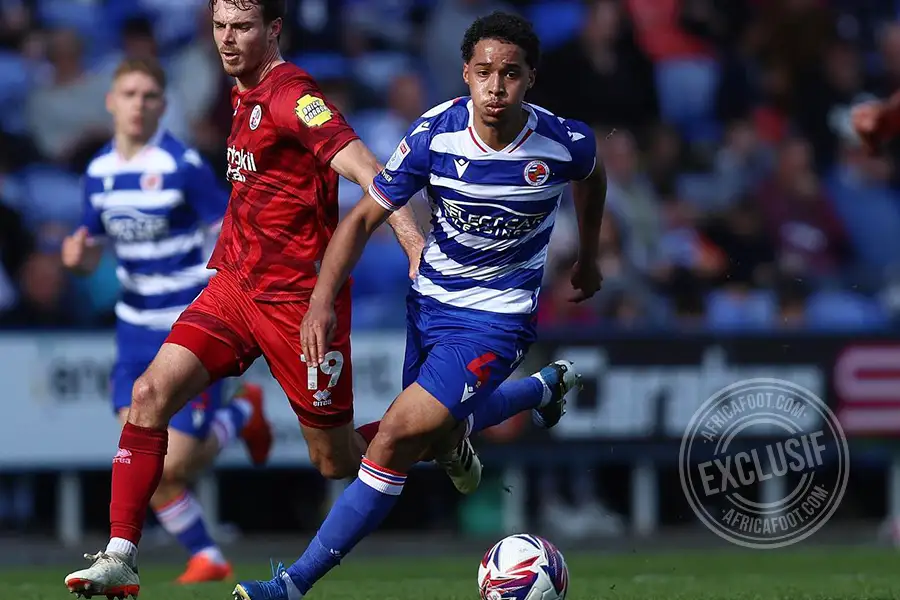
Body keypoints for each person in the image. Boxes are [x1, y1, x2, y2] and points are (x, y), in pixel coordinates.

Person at [65, 1, 476, 597]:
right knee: (149, 395)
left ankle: (439, 435)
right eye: (220, 26)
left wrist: (414, 245)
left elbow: (369, 168)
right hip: (234, 287)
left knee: (335, 461)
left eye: (242, 27)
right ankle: (121, 557)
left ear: (274, 29)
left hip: (300, 303)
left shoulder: (293, 96)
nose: (227, 40)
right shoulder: (240, 92)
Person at [234, 11, 604, 600]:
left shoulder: (563, 142)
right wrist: (321, 301)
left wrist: (588, 256)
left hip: (497, 320)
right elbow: (363, 218)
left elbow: (593, 175)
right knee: (426, 439)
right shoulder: (435, 134)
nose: (496, 87)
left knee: (393, 438)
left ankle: (292, 585)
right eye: (484, 72)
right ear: (465, 73)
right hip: (428, 307)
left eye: (510, 74)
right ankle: (540, 390)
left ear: (531, 78)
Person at [60, 57, 272, 586]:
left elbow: (229, 229)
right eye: (129, 94)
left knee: (174, 464)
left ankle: (242, 412)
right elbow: (90, 247)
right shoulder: (98, 173)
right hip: (133, 327)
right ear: (111, 102)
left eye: (149, 95)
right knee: (140, 458)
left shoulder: (182, 166)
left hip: (185, 322)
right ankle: (207, 556)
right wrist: (77, 259)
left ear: (162, 105)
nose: (138, 104)